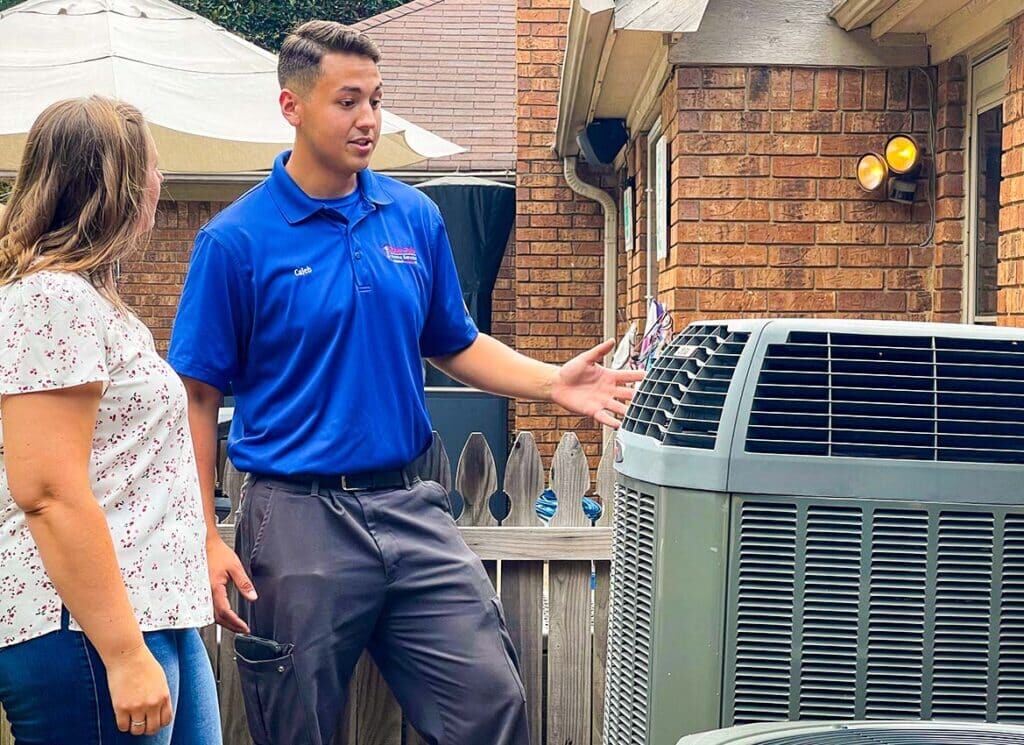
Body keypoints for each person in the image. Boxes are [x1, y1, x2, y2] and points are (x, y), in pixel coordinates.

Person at [168, 20, 642, 745]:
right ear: (292, 106)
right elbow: (197, 398)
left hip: (409, 504)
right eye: (347, 101)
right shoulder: (236, 241)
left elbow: (453, 341)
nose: (368, 119)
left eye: (376, 100)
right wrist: (204, 534)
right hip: (296, 518)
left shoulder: (413, 217)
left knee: (490, 701)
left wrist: (553, 382)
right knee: (297, 726)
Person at [0, 97, 220, 744]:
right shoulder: (49, 298)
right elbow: (48, 492)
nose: (161, 180)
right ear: (115, 186)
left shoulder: (90, 300)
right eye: (151, 165)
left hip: (149, 609)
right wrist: (123, 653)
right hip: (85, 627)